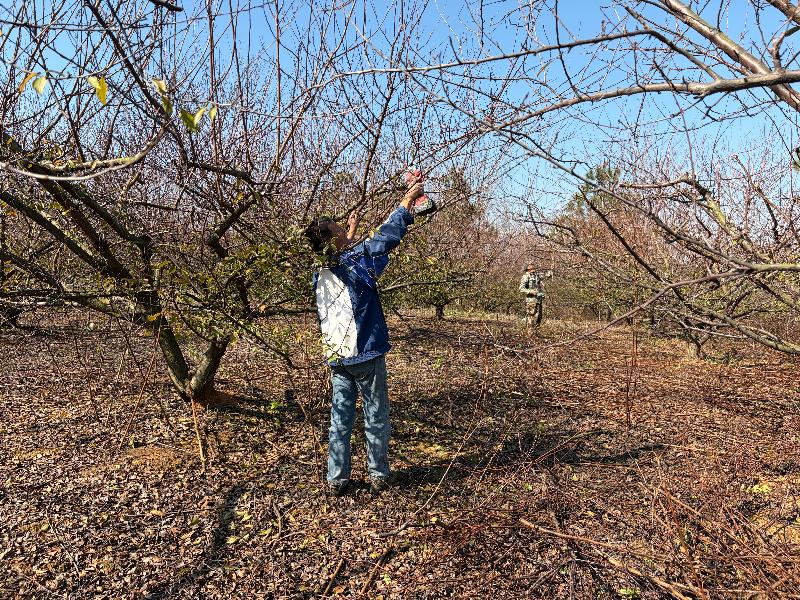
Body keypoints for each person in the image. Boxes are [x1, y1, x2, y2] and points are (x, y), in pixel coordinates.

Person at [304, 182, 423, 496]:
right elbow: (384, 239)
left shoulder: (319, 272)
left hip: (337, 356)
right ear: (333, 240)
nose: (344, 230)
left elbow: (347, 257)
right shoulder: (356, 263)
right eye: (338, 229)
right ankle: (379, 475)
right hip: (364, 353)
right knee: (375, 414)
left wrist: (351, 232)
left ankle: (336, 478)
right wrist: (407, 201)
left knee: (340, 417)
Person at [519, 263, 552, 328]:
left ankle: (535, 332)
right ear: (527, 268)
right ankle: (530, 332)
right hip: (531, 301)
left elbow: (546, 275)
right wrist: (531, 291)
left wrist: (551, 269)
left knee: (538, 318)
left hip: (538, 300)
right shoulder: (526, 276)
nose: (533, 267)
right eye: (530, 266)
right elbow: (521, 288)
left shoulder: (536, 275)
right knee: (531, 318)